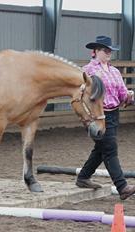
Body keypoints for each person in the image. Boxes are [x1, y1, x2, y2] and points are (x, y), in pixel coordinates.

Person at [76, 35, 135, 200]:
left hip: (114, 114)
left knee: (101, 150)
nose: (109, 52)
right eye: (105, 50)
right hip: (98, 115)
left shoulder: (114, 71)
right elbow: (81, 95)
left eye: (110, 50)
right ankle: (122, 187)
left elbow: (122, 94)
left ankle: (83, 177)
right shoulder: (87, 71)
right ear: (95, 52)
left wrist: (130, 96)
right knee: (110, 149)